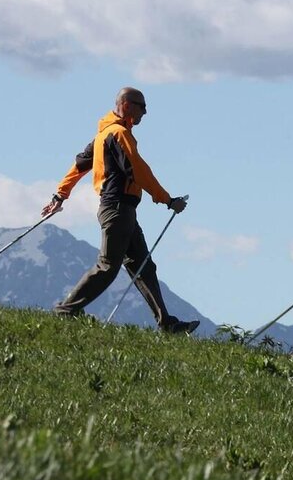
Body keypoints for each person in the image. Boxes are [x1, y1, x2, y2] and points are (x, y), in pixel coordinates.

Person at [41, 87, 199, 334]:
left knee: (144, 266)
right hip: (118, 208)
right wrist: (167, 200)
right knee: (108, 266)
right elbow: (138, 170)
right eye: (142, 106)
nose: (145, 112)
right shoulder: (119, 133)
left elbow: (78, 165)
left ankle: (167, 323)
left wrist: (60, 194)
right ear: (126, 105)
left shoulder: (103, 135)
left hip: (121, 209)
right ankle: (65, 311)